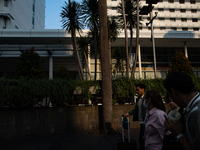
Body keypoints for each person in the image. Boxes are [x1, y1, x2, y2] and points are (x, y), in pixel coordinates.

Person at [163, 72, 200, 150]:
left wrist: (179, 134)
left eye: (169, 96)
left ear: (173, 92)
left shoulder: (196, 113)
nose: (172, 100)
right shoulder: (192, 106)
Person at [123, 83, 146, 150]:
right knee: (141, 139)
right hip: (142, 122)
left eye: (138, 90)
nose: (136, 91)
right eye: (136, 90)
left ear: (143, 89)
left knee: (143, 139)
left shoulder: (147, 98)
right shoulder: (139, 99)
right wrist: (128, 113)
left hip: (146, 122)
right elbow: (136, 110)